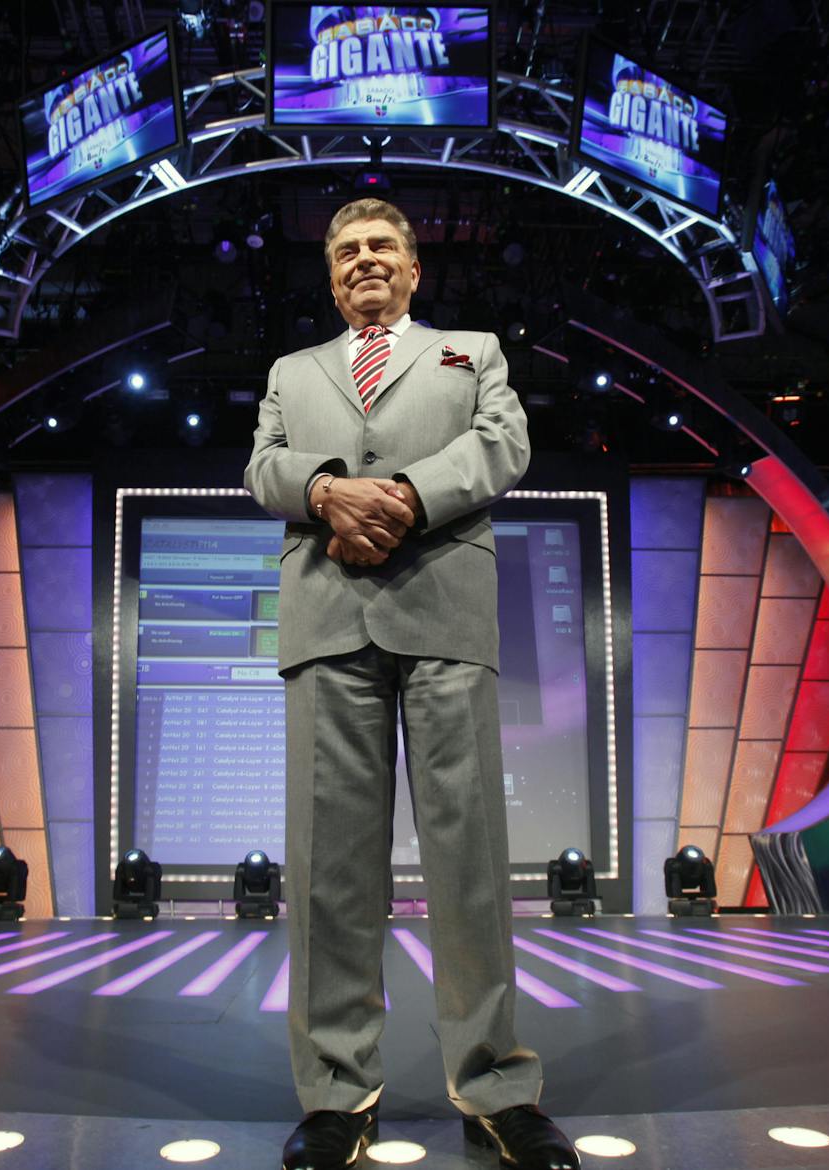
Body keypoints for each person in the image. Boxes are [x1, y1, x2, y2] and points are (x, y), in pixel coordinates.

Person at [244, 198, 579, 1170]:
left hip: (444, 617)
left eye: (380, 245)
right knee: (326, 874)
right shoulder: (289, 373)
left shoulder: (471, 352)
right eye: (344, 249)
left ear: (413, 265)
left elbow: (502, 445)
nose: (363, 260)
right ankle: (336, 1099)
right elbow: (262, 466)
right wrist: (320, 491)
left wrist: (402, 497)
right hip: (325, 621)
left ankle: (496, 1089)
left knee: (466, 864)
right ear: (329, 272)